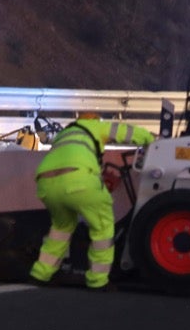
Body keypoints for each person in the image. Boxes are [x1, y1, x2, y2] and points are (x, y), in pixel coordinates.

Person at [28, 117, 157, 289]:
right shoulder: (94, 126)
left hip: (46, 184)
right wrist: (152, 140)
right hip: (77, 180)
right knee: (102, 226)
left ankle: (40, 274)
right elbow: (127, 132)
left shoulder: (64, 134)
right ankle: (98, 280)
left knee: (61, 228)